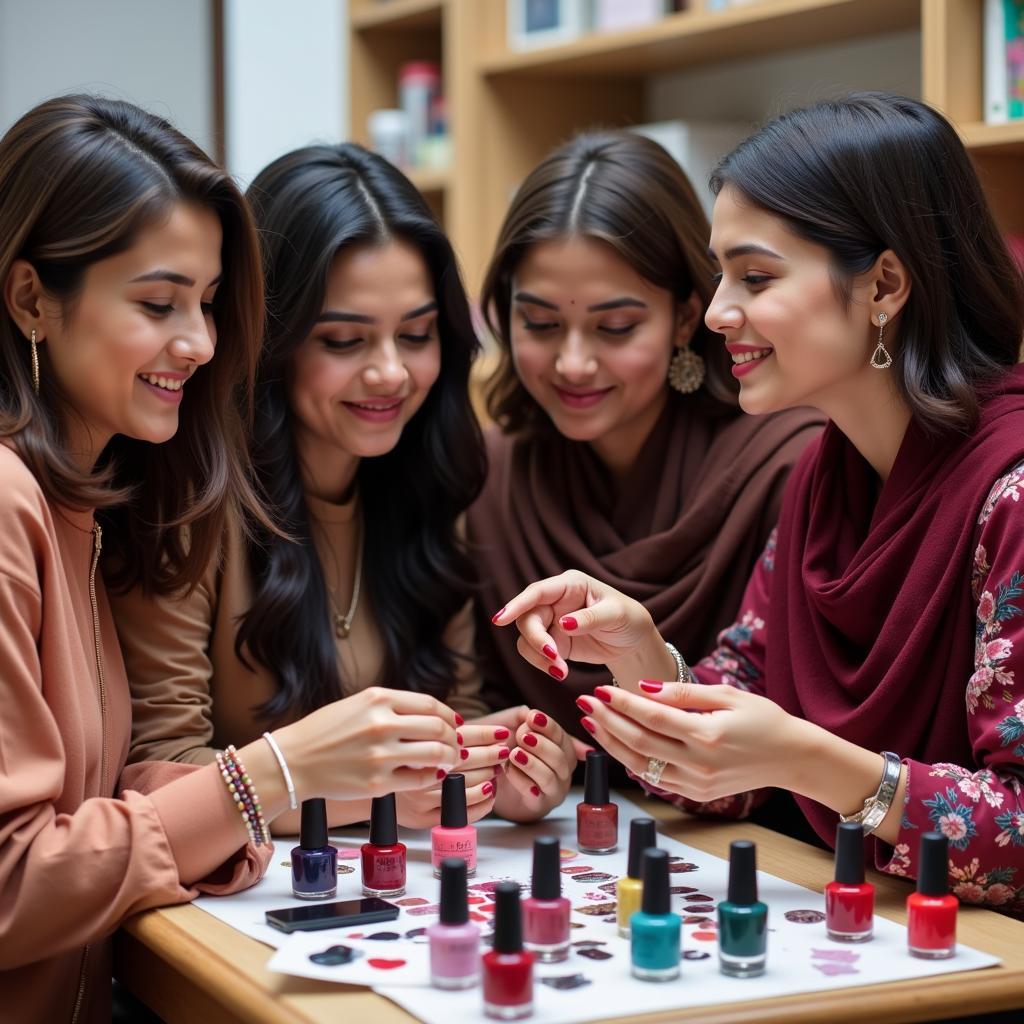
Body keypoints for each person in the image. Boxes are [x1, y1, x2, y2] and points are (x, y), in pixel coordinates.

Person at [494, 94, 1024, 910]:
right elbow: (726, 764)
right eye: (719, 275)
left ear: (884, 283)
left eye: (757, 277)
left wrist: (811, 763)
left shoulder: (1012, 496)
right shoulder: (826, 475)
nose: (715, 313)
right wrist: (643, 656)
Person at [0, 97, 461, 1022]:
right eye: (158, 303)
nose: (202, 345)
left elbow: (105, 794)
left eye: (208, 306)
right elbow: (14, 881)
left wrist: (236, 802)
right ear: (30, 300)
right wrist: (273, 777)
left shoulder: (77, 500)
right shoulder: (14, 502)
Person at [111, 143, 580, 829]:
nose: (390, 373)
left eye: (416, 335)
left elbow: (455, 712)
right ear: (269, 338)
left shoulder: (431, 486)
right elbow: (160, 768)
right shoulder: (188, 498)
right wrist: (378, 797)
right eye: (343, 341)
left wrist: (496, 766)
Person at [470, 130, 822, 743]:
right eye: (541, 323)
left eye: (615, 326)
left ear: (687, 315)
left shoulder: (787, 465)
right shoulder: (491, 475)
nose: (572, 363)